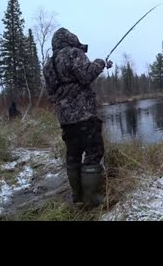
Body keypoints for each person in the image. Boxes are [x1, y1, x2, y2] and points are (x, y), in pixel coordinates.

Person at [43, 28, 112, 207]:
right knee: (94, 151)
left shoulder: (48, 64)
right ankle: (91, 198)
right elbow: (86, 75)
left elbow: (51, 91)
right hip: (84, 115)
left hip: (65, 120)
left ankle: (77, 196)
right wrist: (100, 63)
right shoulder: (74, 53)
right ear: (70, 40)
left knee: (73, 154)